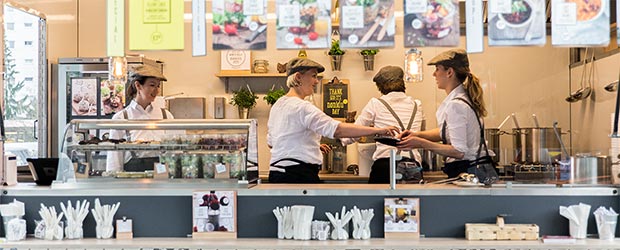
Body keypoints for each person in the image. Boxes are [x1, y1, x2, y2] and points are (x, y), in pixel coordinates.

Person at [267, 58, 399, 183]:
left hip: (277, 173)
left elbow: (273, 143)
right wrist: (379, 130)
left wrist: (310, 146)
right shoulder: (302, 107)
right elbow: (338, 130)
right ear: (298, 77)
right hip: (297, 175)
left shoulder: (278, 105)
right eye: (313, 76)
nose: (316, 81)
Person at [396, 49, 488, 178]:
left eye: (437, 69)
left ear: (450, 72)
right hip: (470, 169)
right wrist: (417, 135)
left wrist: (421, 143)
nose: (434, 74)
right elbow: (448, 131)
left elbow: (459, 151)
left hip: (467, 171)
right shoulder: (462, 99)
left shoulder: (456, 105)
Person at [341, 66, 425, 183]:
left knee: (378, 201)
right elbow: (421, 134)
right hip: (412, 166)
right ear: (402, 83)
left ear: (380, 86)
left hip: (385, 165)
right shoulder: (417, 105)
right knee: (410, 201)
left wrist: (342, 139)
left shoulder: (376, 104)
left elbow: (355, 132)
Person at [106, 64, 174, 172]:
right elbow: (114, 158)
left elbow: (175, 150)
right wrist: (114, 182)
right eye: (152, 85)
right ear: (138, 85)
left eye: (158, 86)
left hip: (162, 177)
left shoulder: (166, 116)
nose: (156, 90)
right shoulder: (121, 118)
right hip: (132, 181)